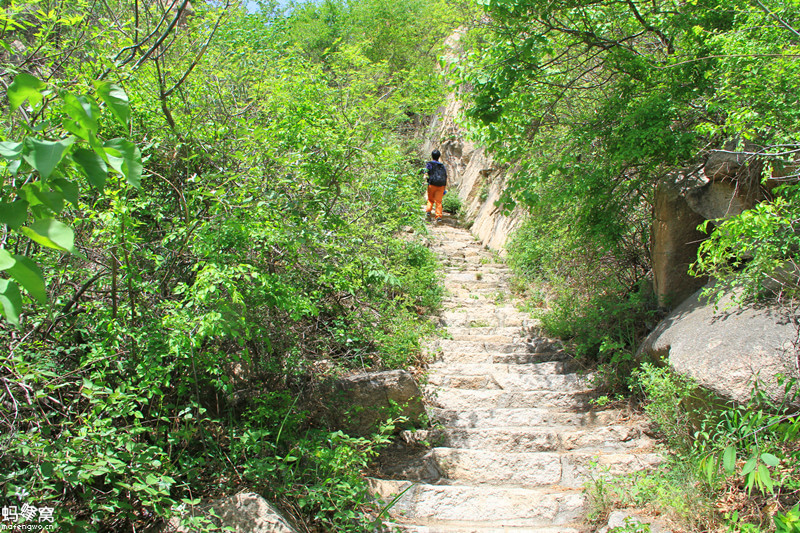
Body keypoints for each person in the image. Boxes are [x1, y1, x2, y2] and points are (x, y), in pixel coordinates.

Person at [425, 149, 447, 223]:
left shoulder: (429, 164)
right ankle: (438, 217)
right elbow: (445, 176)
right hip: (441, 185)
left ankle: (428, 212)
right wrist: (444, 188)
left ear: (432, 156)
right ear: (439, 157)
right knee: (438, 202)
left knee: (430, 199)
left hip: (432, 184)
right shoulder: (442, 166)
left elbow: (426, 172)